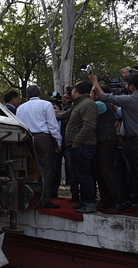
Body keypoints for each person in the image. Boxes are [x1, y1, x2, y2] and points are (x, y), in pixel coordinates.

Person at [90, 72, 138, 208]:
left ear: (133, 87)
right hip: (128, 140)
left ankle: (121, 200)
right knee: (131, 172)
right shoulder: (129, 102)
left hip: (132, 140)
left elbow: (105, 97)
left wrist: (95, 81)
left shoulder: (131, 100)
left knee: (129, 171)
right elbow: (120, 112)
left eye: (127, 84)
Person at [16, 85, 62, 209]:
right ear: (40, 94)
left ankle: (29, 197)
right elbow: (52, 125)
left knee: (28, 168)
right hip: (43, 137)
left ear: (27, 95)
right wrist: (58, 142)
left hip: (26, 138)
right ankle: (45, 199)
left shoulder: (21, 108)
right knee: (46, 169)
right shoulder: (46, 105)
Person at [58, 81, 98, 213]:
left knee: (84, 174)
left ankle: (90, 203)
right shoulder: (78, 104)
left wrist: (76, 141)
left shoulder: (88, 104)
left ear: (76, 90)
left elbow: (89, 125)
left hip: (83, 145)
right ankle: (85, 201)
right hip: (77, 145)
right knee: (80, 174)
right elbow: (65, 115)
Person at [91, 84, 124, 213]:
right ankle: (107, 199)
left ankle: (117, 200)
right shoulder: (105, 104)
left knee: (107, 170)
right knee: (101, 171)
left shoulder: (100, 104)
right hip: (103, 140)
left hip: (106, 140)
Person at [51, 92, 76, 200]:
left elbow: (72, 121)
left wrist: (61, 113)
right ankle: (53, 191)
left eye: (67, 98)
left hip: (68, 143)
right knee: (55, 168)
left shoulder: (72, 109)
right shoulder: (56, 110)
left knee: (71, 168)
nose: (64, 99)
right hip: (57, 143)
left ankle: (75, 192)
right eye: (63, 98)